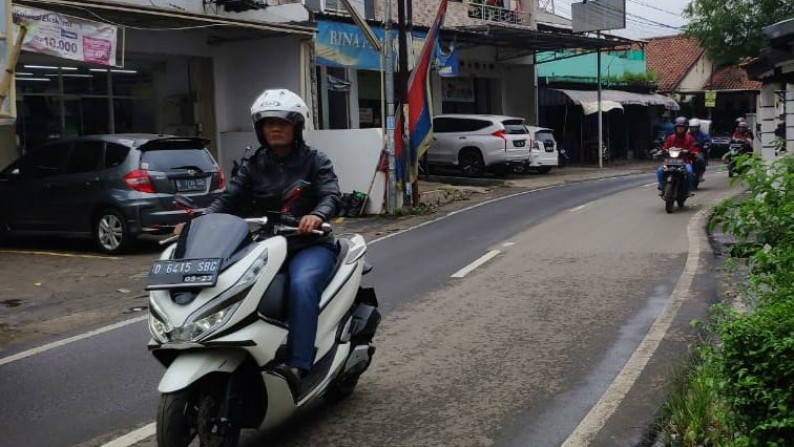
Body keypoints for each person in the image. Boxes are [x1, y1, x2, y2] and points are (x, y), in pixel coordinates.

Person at [181, 89, 341, 390]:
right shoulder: (254, 164)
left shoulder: (315, 160)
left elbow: (331, 194)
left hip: (309, 244)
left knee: (302, 285)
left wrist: (317, 215)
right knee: (231, 283)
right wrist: (197, 223)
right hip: (268, 244)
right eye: (268, 124)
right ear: (260, 129)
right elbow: (227, 201)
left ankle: (298, 363)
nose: (275, 129)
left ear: (297, 127)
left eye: (282, 123)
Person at [656, 117, 698, 194]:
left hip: (685, 161)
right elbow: (665, 147)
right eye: (678, 127)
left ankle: (688, 190)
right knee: (659, 171)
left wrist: (693, 153)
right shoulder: (671, 137)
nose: (680, 129)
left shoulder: (689, 138)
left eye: (682, 127)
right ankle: (662, 187)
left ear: (685, 128)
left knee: (689, 172)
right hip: (670, 161)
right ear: (675, 128)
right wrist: (660, 152)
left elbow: (694, 149)